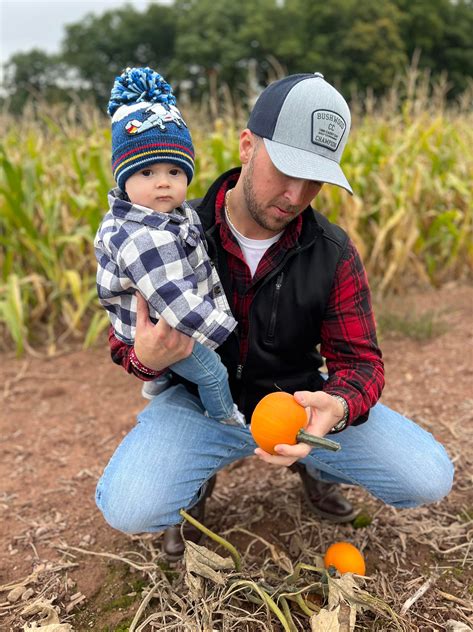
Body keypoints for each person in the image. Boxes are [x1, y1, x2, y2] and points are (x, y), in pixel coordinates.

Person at [96, 71, 454, 562]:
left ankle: (318, 467)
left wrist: (337, 409)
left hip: (297, 408)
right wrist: (146, 357)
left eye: (315, 180)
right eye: (285, 169)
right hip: (200, 406)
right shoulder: (171, 234)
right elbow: (124, 342)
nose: (295, 194)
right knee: (132, 509)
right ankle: (197, 476)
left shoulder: (332, 252)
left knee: (426, 477)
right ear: (247, 146)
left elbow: (362, 363)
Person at [94, 66, 245, 426]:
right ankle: (225, 420)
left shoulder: (171, 214)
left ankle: (160, 381)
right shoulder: (143, 238)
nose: (163, 183)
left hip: (165, 318)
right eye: (147, 173)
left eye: (174, 172)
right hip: (165, 326)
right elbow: (174, 298)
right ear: (124, 178)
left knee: (190, 369)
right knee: (214, 374)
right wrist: (223, 328)